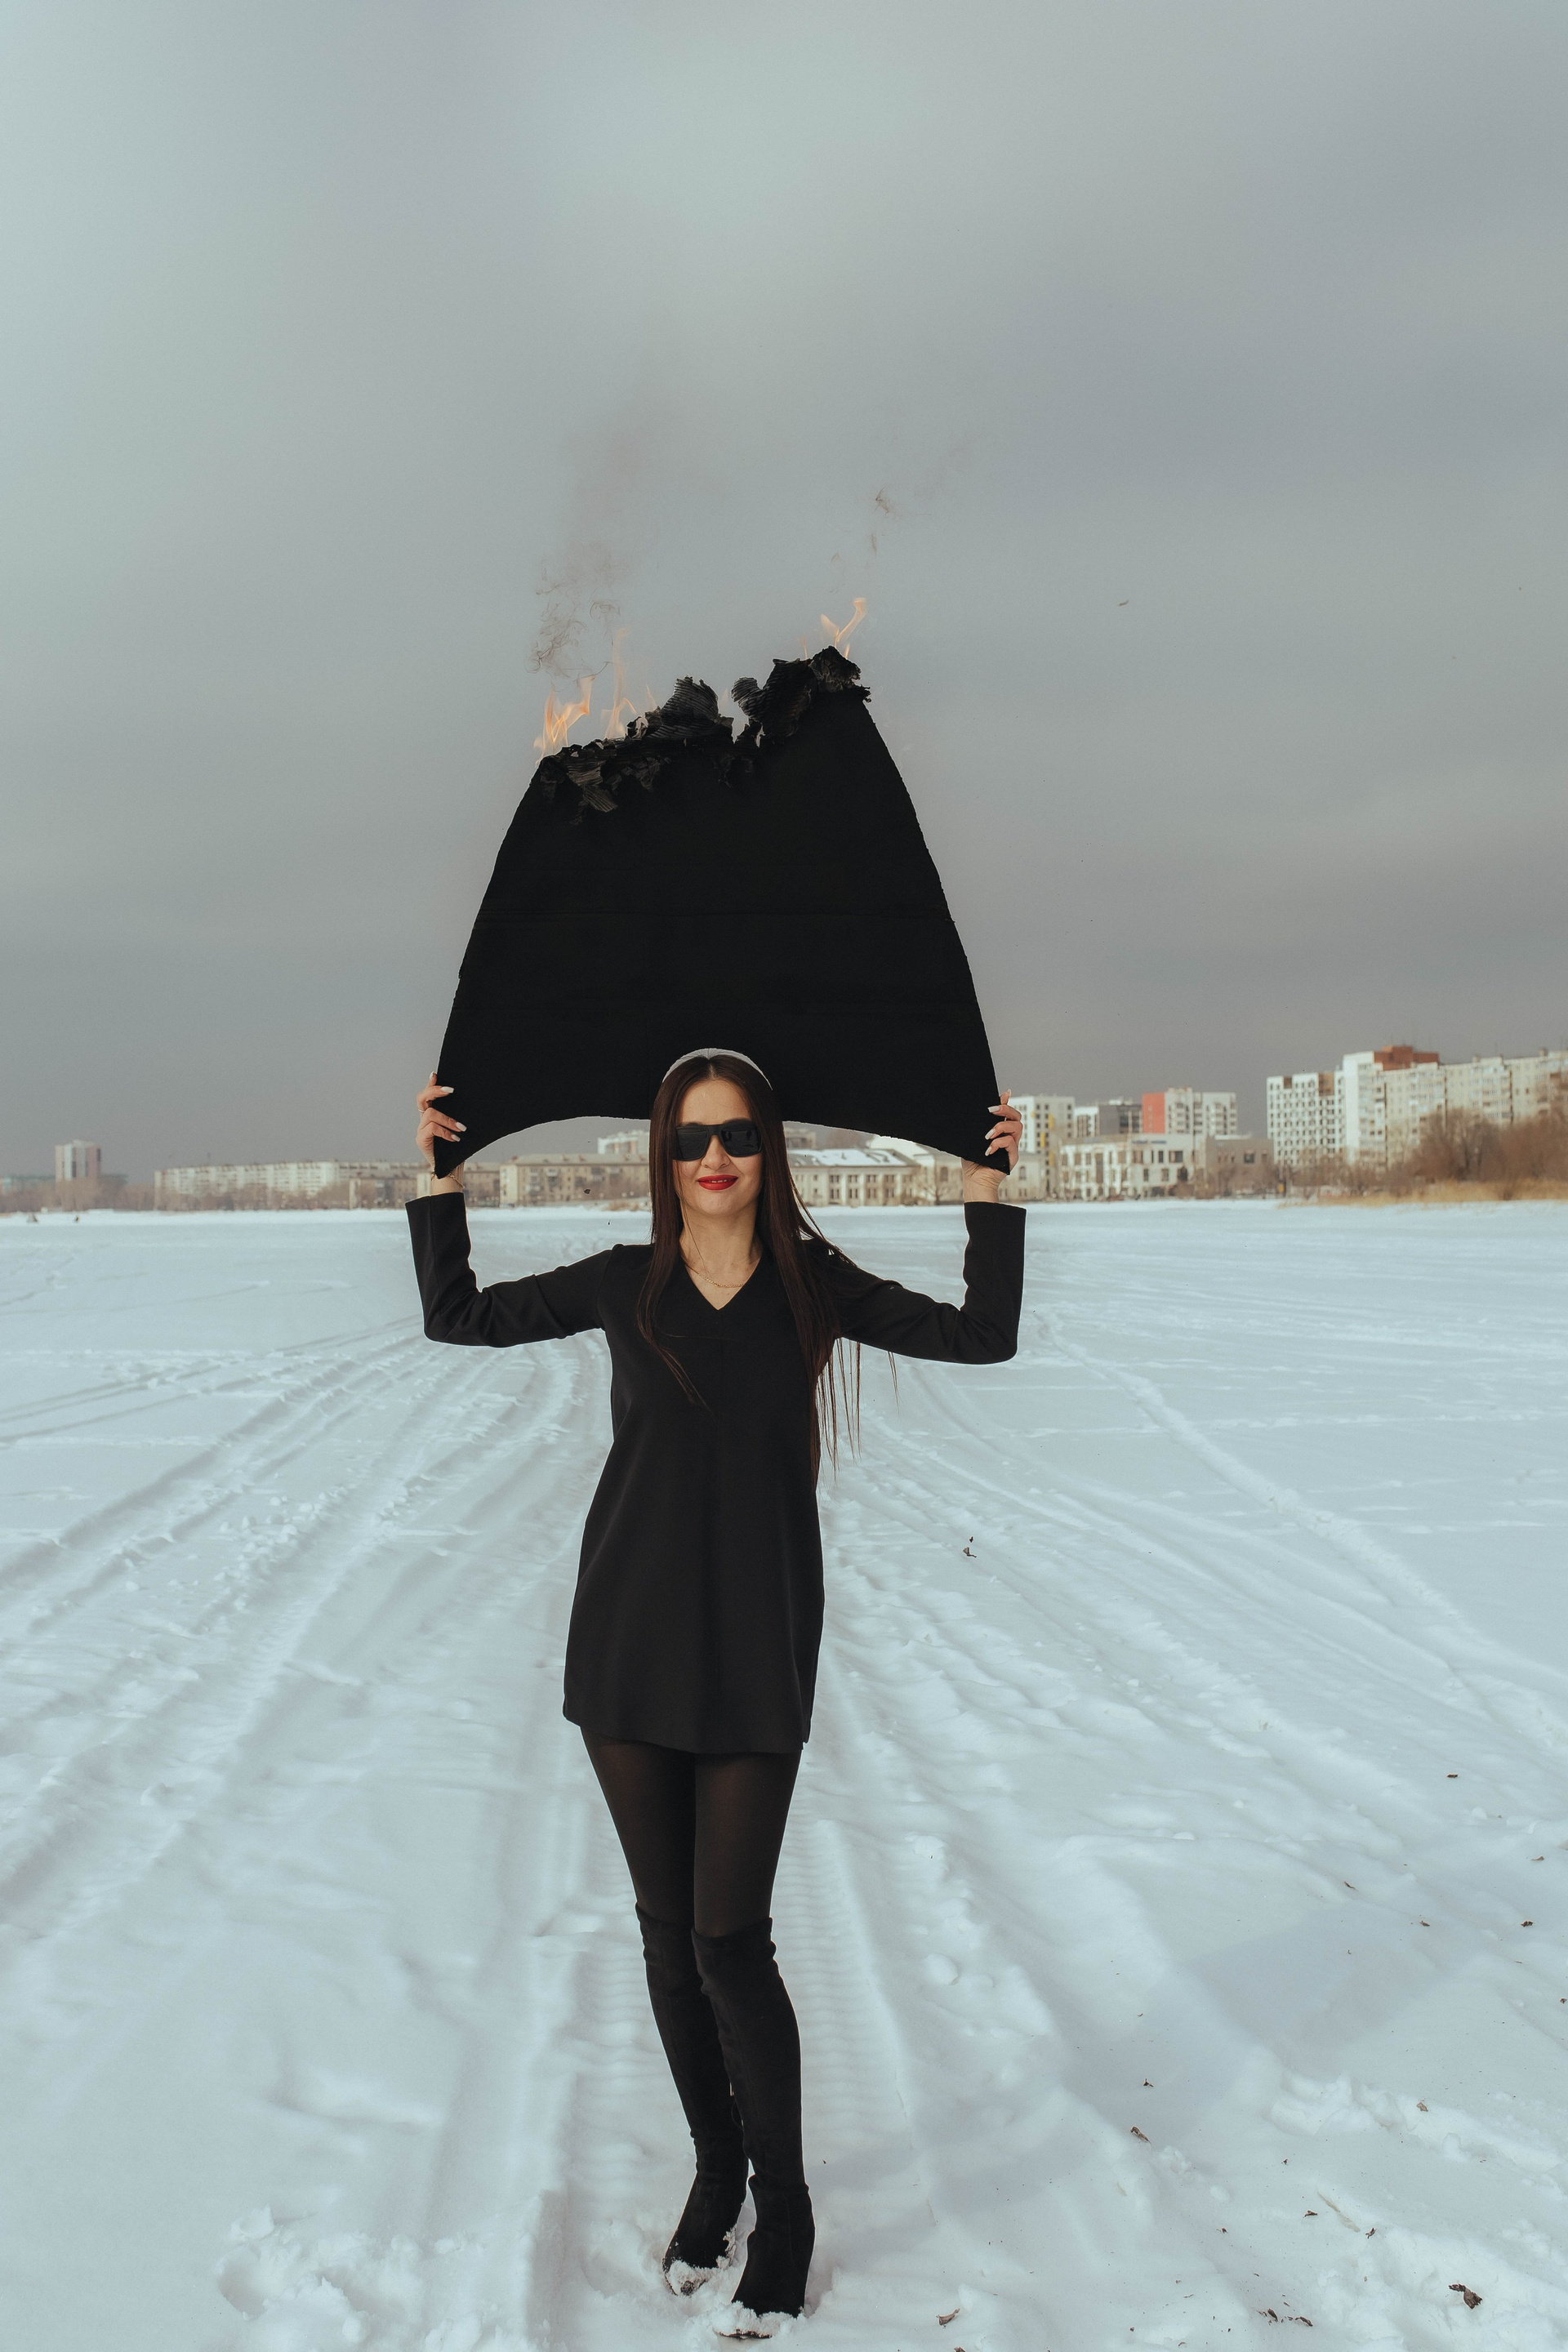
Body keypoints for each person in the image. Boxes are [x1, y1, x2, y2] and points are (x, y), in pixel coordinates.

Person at [407, 1050, 1024, 2336]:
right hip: (629, 1645)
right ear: (663, 1153)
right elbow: (457, 1315)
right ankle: (716, 2168)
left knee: (730, 1941)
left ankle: (785, 2208)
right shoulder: (622, 1282)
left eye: (736, 1133)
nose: (714, 1158)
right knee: (668, 1939)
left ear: (768, 1147)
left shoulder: (813, 1288)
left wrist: (988, 1194)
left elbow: (983, 1336)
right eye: (691, 1138)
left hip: (754, 1650)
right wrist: (443, 1180)